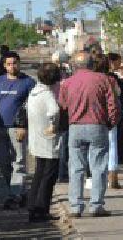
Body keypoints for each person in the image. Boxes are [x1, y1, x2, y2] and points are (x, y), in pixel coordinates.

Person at [58, 50, 120, 217]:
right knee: (98, 166)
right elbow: (113, 105)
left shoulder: (67, 83)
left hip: (75, 127)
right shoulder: (103, 80)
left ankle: (75, 206)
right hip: (97, 125)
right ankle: (96, 205)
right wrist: (111, 123)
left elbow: (62, 106)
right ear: (92, 64)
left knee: (76, 168)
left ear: (75, 66)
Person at [0, 51, 37, 210]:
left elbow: (33, 106)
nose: (12, 66)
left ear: (19, 63)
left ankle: (14, 196)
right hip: (0, 129)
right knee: (3, 163)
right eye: (9, 64)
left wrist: (25, 126)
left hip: (18, 129)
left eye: (15, 63)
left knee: (19, 163)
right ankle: (20, 193)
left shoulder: (28, 82)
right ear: (4, 65)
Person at [25, 63, 62, 222]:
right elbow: (54, 110)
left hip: (36, 138)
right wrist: (53, 125)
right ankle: (41, 209)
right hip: (48, 140)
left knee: (39, 175)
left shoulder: (34, 91)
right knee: (48, 176)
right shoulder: (47, 94)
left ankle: (33, 207)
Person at [105, 53, 123, 189]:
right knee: (112, 144)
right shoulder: (112, 78)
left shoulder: (97, 77)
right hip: (111, 116)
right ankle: (112, 176)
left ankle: (92, 176)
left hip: (98, 116)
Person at [51, 50, 73, 183]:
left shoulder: (61, 77)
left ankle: (60, 172)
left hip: (62, 112)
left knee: (61, 145)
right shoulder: (63, 79)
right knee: (62, 144)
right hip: (62, 112)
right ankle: (61, 173)